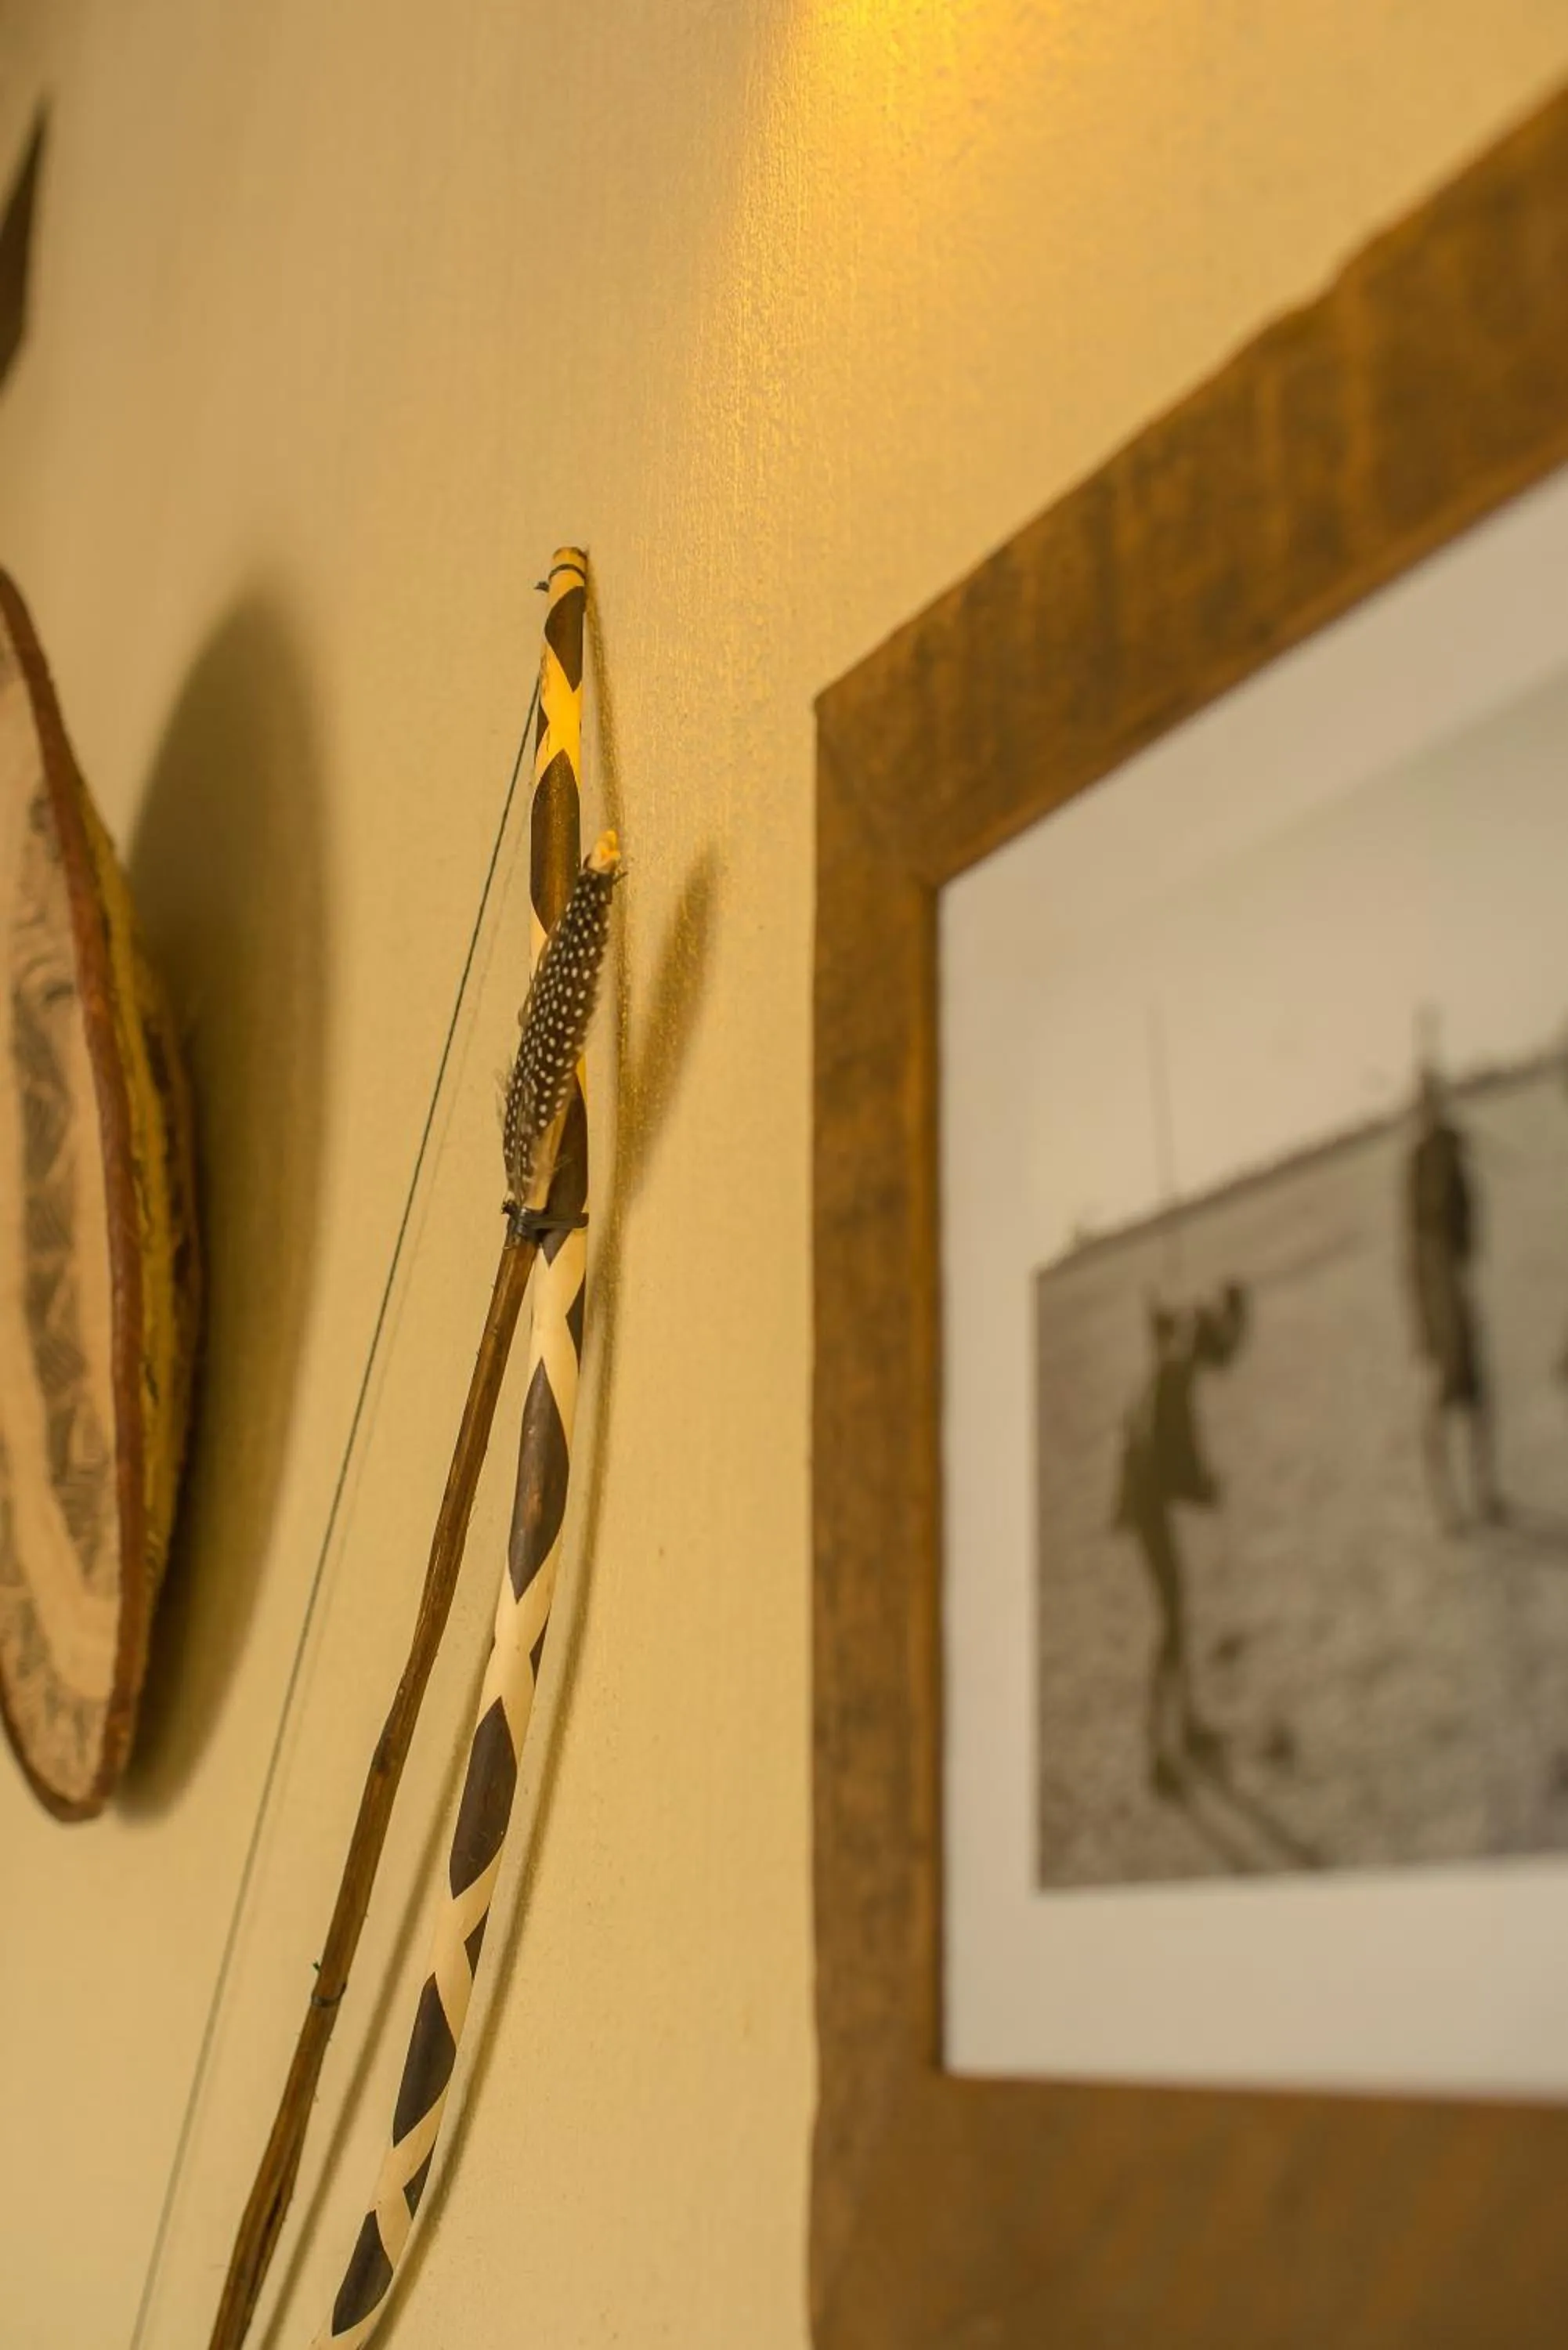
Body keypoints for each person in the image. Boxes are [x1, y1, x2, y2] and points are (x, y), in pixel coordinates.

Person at [1113, 1282, 1247, 1797]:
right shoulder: (1179, 1369)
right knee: (1169, 1617)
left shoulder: (1180, 1347)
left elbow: (1163, 1324)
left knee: (1178, 1607)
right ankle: (1155, 1753)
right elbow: (1176, 1450)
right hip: (1145, 1499)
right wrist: (1204, 1488)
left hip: (1149, 1493)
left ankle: (1188, 1727)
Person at [1404, 1065, 1502, 1528]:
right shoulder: (1422, 1158)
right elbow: (1420, 1235)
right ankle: (1447, 1506)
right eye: (1427, 1101)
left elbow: (1469, 1218)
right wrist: (1426, 1317)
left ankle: (1485, 1492)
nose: (1433, 1107)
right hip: (1436, 1287)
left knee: (1480, 1397)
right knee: (1442, 1400)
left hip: (1456, 1285)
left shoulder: (1447, 1146)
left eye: (1437, 1098)